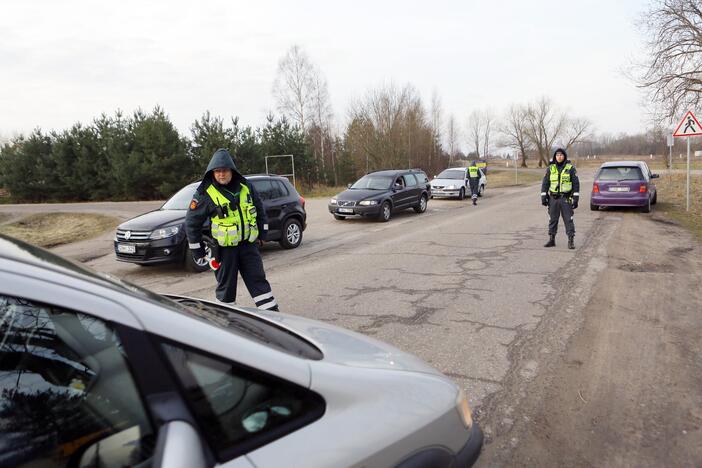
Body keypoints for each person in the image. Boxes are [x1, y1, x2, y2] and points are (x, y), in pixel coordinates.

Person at [185, 148, 279, 311]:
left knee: (259, 282)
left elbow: (259, 209)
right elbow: (192, 222)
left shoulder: (246, 186)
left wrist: (263, 234)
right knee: (226, 291)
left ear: (232, 170)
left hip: (248, 247)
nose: (221, 174)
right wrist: (197, 251)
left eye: (225, 170)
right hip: (224, 251)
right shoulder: (204, 193)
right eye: (217, 171)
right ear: (212, 173)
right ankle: (225, 325)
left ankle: (273, 317)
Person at [541, 148, 580, 249]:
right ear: (555, 157)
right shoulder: (550, 168)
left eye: (561, 155)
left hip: (565, 199)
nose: (559, 157)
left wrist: (576, 198)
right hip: (553, 199)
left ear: (564, 156)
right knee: (552, 219)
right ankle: (551, 239)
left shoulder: (570, 168)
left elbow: (576, 184)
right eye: (557, 155)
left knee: (569, 220)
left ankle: (570, 241)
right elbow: (545, 183)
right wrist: (543, 196)